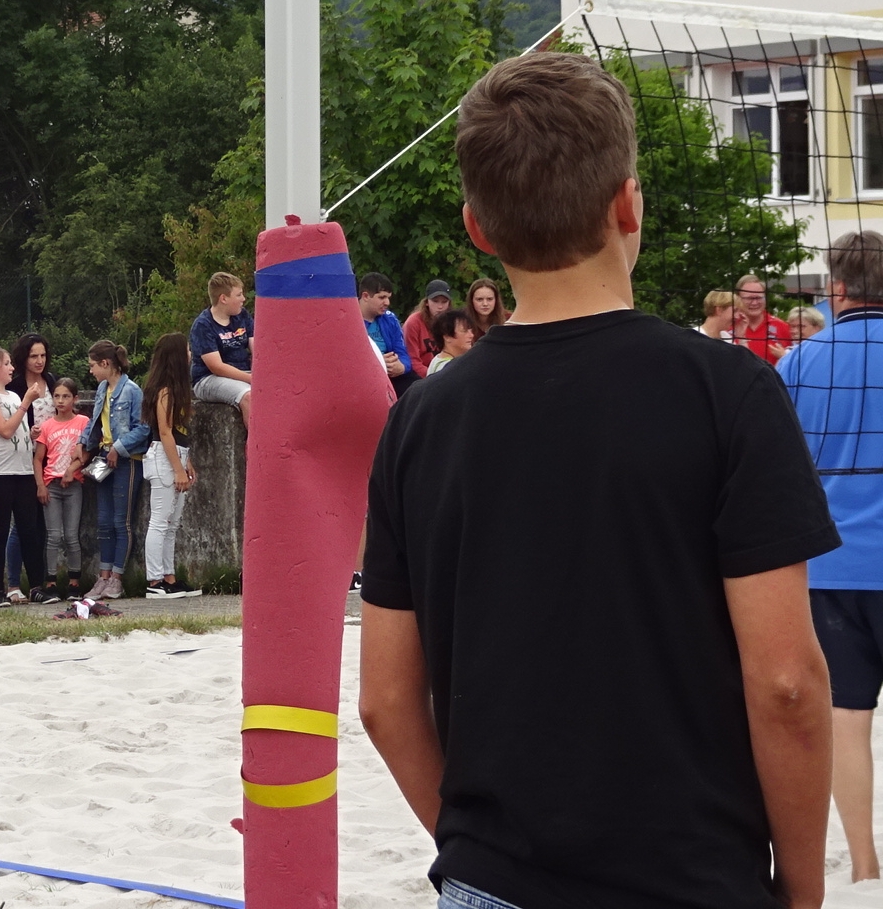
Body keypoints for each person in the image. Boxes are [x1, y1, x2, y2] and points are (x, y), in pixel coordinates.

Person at [359, 53, 837, 909]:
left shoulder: (420, 420)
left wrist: (478, 853)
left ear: (477, 227)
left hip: (493, 880)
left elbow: (384, 702)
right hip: (689, 875)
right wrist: (801, 893)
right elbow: (788, 683)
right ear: (627, 201)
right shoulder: (727, 391)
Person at [777, 231, 883, 883]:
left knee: (846, 720)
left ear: (834, 288)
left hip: (830, 566)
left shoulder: (795, 362)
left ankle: (865, 867)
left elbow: (776, 471)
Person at [0, 346, 47, 606]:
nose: (12, 368)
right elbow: (3, 429)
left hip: (23, 469)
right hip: (0, 471)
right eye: (7, 364)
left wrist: (31, 434)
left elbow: (17, 429)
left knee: (29, 530)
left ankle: (37, 584)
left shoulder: (13, 396)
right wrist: (26, 403)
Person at [80, 340, 147, 601]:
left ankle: (117, 578)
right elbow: (96, 420)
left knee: (122, 521)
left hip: (126, 459)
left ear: (106, 364)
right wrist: (81, 443)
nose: (91, 371)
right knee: (104, 522)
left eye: (93, 365)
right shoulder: (102, 389)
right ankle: (103, 575)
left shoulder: (131, 391)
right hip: (104, 458)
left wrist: (118, 448)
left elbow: (143, 428)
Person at [142, 333, 201, 599]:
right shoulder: (164, 390)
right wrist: (177, 469)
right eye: (187, 349)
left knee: (172, 523)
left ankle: (169, 576)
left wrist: (185, 463)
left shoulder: (177, 389)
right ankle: (154, 580)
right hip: (163, 458)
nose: (190, 353)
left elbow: (178, 433)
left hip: (176, 454)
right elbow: (165, 432)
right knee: (160, 520)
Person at [5, 332, 55, 593]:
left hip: (52, 458)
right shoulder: (14, 388)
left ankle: (42, 581)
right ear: (23, 358)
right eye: (34, 356)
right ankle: (14, 583)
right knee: (22, 523)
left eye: (43, 355)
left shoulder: (52, 382)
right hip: (24, 458)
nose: (39, 361)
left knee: (45, 525)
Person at [33, 378, 89, 602]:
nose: (61, 401)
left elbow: (87, 452)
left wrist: (73, 469)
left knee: (72, 536)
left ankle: (75, 581)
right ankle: (51, 581)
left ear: (75, 398)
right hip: (52, 485)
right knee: (54, 535)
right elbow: (38, 459)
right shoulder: (47, 426)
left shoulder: (83, 422)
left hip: (74, 484)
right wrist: (40, 485)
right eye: (57, 396)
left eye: (66, 396)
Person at [190, 272, 254, 428]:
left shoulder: (242, 316)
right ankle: (256, 448)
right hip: (208, 378)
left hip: (243, 372)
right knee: (249, 396)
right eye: (238, 295)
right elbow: (216, 366)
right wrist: (253, 380)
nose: (243, 299)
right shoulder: (203, 325)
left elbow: (256, 348)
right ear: (223, 299)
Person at [358, 272, 415, 398]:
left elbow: (403, 352)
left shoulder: (390, 318)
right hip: (365, 377)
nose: (387, 302)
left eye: (388, 297)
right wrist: (378, 363)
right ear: (366, 296)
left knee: (417, 387)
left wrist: (401, 366)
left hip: (391, 373)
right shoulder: (351, 321)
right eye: (382, 297)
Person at [734, 273, 792, 365]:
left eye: (758, 297)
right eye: (749, 298)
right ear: (738, 298)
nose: (754, 302)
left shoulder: (784, 328)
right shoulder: (728, 328)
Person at [402, 281, 454, 378]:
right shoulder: (413, 322)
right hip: (420, 376)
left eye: (444, 302)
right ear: (426, 302)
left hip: (446, 374)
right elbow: (412, 360)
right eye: (435, 301)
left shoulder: (453, 322)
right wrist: (433, 377)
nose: (440, 306)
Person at [425, 309, 476, 375]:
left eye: (471, 331)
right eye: (464, 331)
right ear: (447, 337)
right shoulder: (447, 368)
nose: (471, 335)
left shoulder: (438, 359)